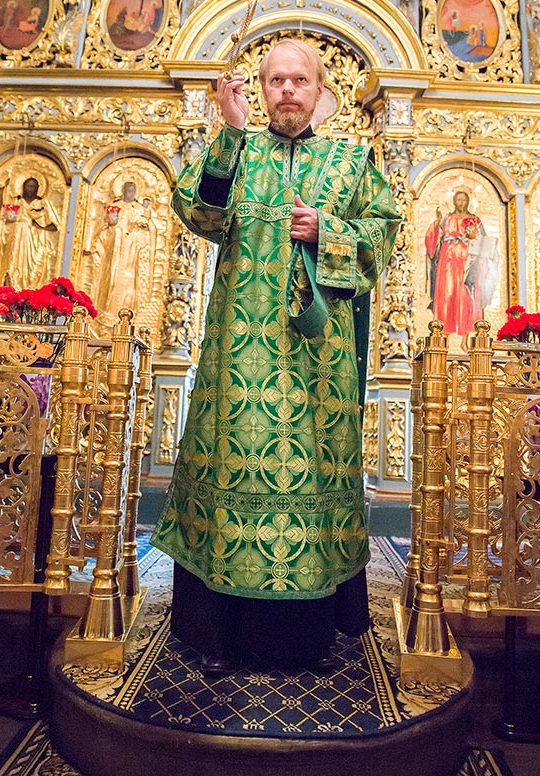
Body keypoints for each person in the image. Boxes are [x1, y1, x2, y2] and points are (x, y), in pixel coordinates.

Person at [152, 37, 400, 673]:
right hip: (239, 360)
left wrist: (329, 230)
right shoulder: (239, 150)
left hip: (319, 365)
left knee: (314, 478)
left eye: (299, 80)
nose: (287, 90)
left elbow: (384, 235)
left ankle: (308, 639)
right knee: (231, 471)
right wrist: (230, 133)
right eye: (275, 81)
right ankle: (220, 636)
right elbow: (198, 214)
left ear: (320, 90)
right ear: (260, 90)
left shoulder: (352, 161)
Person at [425, 190, 496, 348]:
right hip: (448, 260)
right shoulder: (447, 219)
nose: (461, 203)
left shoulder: (474, 220)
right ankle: (443, 336)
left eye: (464, 200)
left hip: (467, 261)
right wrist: (437, 221)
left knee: (465, 296)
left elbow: (483, 241)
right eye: (458, 200)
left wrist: (472, 238)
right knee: (447, 294)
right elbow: (433, 237)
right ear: (454, 202)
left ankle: (465, 339)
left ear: (468, 202)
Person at [85, 180, 156, 330]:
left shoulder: (139, 209)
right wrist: (111, 227)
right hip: (114, 251)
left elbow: (147, 231)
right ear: (122, 191)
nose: (129, 193)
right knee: (111, 279)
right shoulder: (115, 206)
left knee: (129, 283)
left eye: (132, 191)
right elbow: (104, 227)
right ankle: (106, 313)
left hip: (131, 252)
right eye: (127, 190)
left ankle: (127, 314)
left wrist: (141, 228)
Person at [0, 175, 60, 288]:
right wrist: (1, 191)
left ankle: (30, 291)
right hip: (16, 237)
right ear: (23, 187)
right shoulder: (17, 201)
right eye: (28, 186)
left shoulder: (42, 204)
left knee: (34, 270)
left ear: (38, 188)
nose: (30, 189)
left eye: (33, 186)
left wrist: (39, 226)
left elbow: (55, 225)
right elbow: (5, 215)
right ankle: (11, 290)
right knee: (13, 265)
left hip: (35, 241)